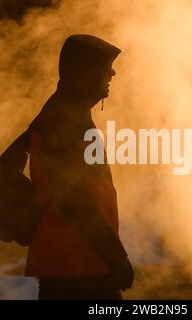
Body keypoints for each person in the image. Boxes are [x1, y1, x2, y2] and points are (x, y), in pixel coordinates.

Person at [24, 34, 134, 299]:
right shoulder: (63, 122)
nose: (113, 73)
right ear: (86, 73)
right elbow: (73, 199)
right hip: (76, 272)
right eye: (104, 66)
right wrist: (114, 256)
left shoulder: (67, 113)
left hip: (79, 265)